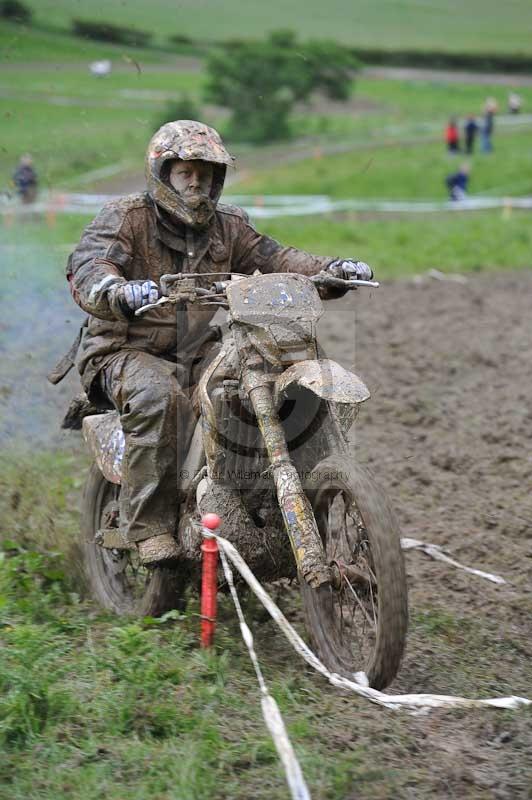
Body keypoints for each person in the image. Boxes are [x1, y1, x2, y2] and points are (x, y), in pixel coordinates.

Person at [65, 120, 374, 565]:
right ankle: (149, 526)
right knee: (159, 397)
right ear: (163, 173)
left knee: (260, 374)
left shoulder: (229, 226)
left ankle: (261, 497)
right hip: (121, 350)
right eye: (185, 172)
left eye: (205, 173)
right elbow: (91, 264)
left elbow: (277, 258)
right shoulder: (126, 217)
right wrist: (115, 289)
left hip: (194, 348)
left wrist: (333, 269)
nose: (195, 182)